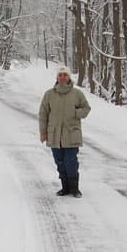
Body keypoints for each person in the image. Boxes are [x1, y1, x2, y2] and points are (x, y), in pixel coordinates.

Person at [38, 67, 91, 198]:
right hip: (54, 135)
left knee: (71, 161)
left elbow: (86, 108)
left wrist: (75, 113)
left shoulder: (77, 93)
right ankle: (65, 188)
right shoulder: (49, 94)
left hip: (71, 134)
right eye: (60, 75)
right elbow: (43, 114)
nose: (62, 77)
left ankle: (75, 189)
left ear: (69, 77)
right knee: (59, 162)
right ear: (57, 78)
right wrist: (43, 132)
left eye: (65, 75)